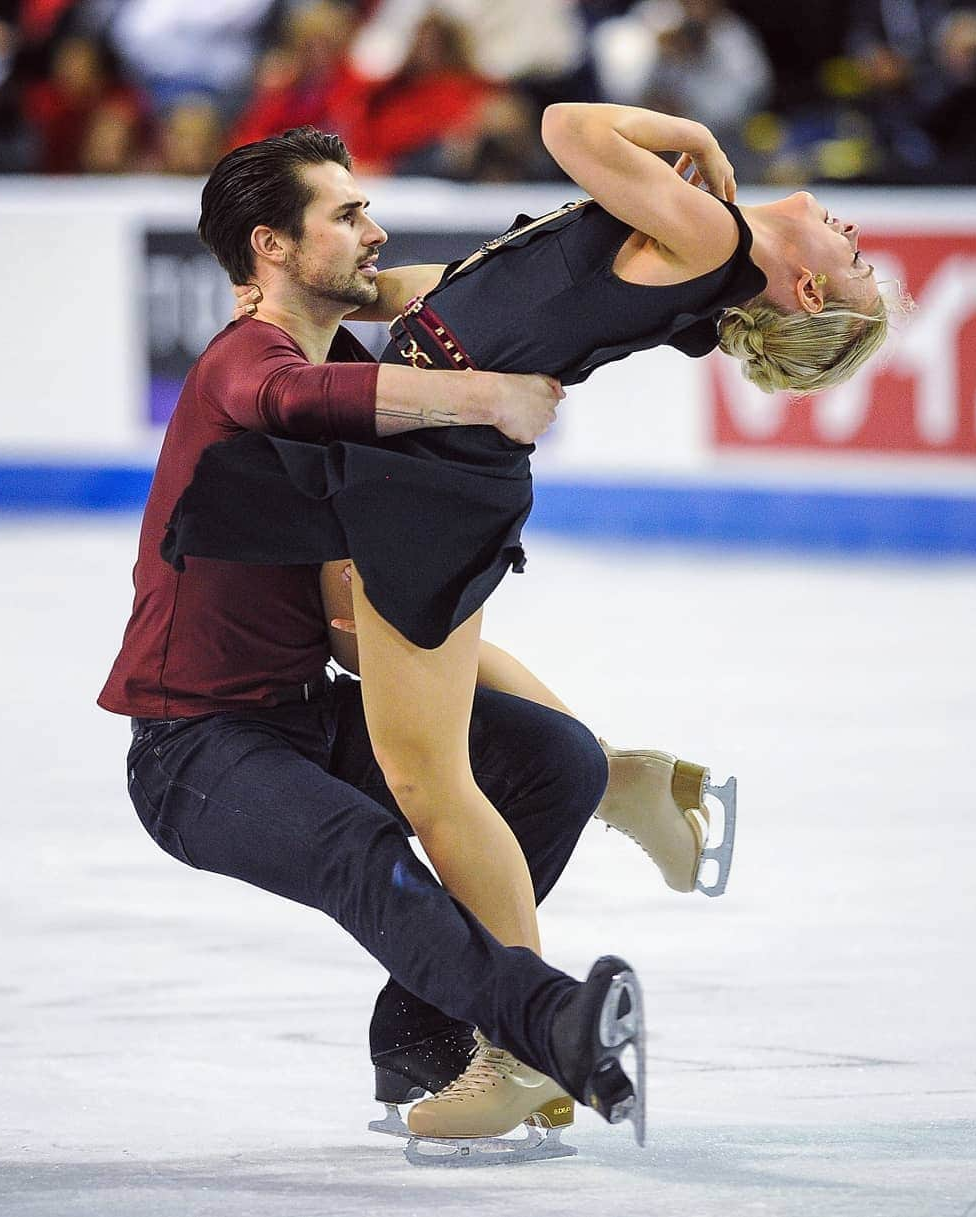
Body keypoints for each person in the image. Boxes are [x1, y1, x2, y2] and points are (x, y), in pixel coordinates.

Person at [164, 100, 891, 1145]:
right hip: (430, 459)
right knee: (352, 634)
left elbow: (564, 125)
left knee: (427, 773)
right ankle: (625, 776)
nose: (858, 238)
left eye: (859, 264)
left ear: (809, 287)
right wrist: (368, 290)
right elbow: (485, 287)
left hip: (437, 467)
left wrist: (694, 136)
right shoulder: (700, 240)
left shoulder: (712, 232)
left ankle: (522, 1053)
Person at [98, 125, 651, 1169]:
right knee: (363, 843)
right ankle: (549, 1022)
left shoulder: (337, 356)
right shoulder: (242, 361)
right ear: (270, 245)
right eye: (345, 214)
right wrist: (483, 396)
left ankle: (419, 1038)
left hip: (300, 715)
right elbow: (289, 399)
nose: (373, 227)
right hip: (193, 749)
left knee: (552, 764)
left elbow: (464, 299)